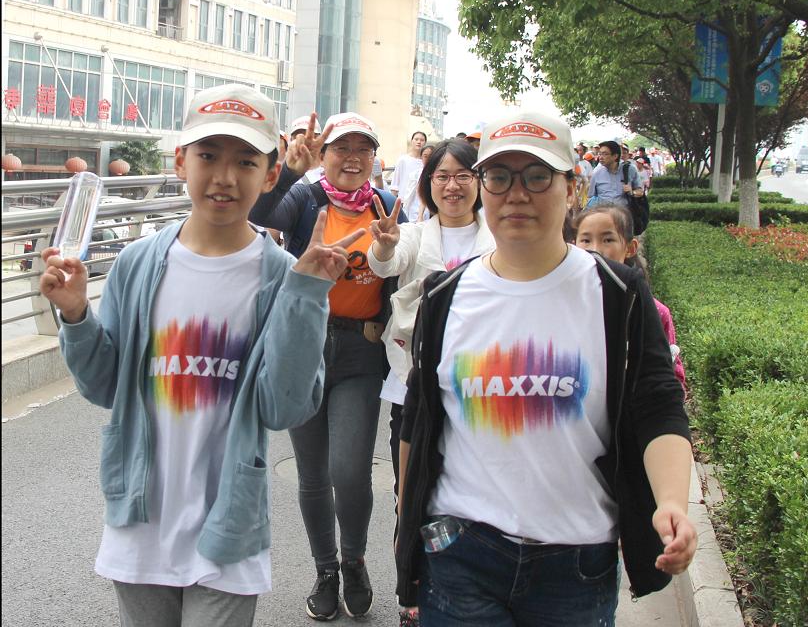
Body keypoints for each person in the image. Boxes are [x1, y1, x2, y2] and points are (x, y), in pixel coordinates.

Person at [38, 84, 361, 627]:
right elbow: (103, 385)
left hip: (228, 529)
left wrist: (306, 295)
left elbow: (284, 407)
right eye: (208, 156)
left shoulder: (284, 276)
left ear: (271, 175)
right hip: (140, 524)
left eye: (246, 161)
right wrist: (76, 315)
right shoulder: (137, 263)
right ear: (180, 161)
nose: (224, 177)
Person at [394, 111, 696, 625]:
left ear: (571, 188)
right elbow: (419, 417)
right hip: (461, 552)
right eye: (499, 177)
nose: (516, 194)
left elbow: (657, 406)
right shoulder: (444, 296)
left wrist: (672, 502)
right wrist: (407, 526)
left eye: (537, 177)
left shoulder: (617, 294)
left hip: (576, 562)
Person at [249, 111, 407, 621]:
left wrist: (391, 249)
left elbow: (404, 270)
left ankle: (354, 561)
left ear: (374, 158)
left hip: (361, 351)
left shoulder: (387, 205)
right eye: (342, 148)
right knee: (313, 472)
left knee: (350, 470)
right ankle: (326, 570)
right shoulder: (305, 197)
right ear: (324, 154)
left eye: (364, 149)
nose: (353, 159)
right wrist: (289, 171)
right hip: (304, 345)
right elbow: (260, 209)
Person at [368, 139, 495, 627]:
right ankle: (413, 593)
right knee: (411, 493)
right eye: (442, 176)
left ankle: (465, 588)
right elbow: (386, 262)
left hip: (478, 390)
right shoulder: (414, 234)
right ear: (428, 184)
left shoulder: (496, 236)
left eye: (463, 175)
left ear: (479, 182)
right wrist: (384, 244)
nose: (452, 185)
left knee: (466, 495)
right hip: (415, 388)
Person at [573, 205, 685, 391]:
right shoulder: (563, 304)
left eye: (608, 240)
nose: (595, 249)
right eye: (585, 240)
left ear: (630, 247)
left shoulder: (653, 311)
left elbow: (670, 376)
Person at [588, 140, 640, 207]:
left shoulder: (630, 169)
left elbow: (640, 191)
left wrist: (632, 192)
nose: (600, 157)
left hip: (625, 212)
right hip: (605, 212)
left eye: (605, 154)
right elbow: (591, 197)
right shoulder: (596, 172)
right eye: (599, 154)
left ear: (615, 156)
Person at [392, 131, 429, 213]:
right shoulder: (403, 160)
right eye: (416, 139)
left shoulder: (425, 162)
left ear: (425, 143)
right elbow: (395, 185)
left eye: (422, 140)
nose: (419, 142)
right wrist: (392, 205)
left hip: (420, 205)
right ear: (412, 141)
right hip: (403, 203)